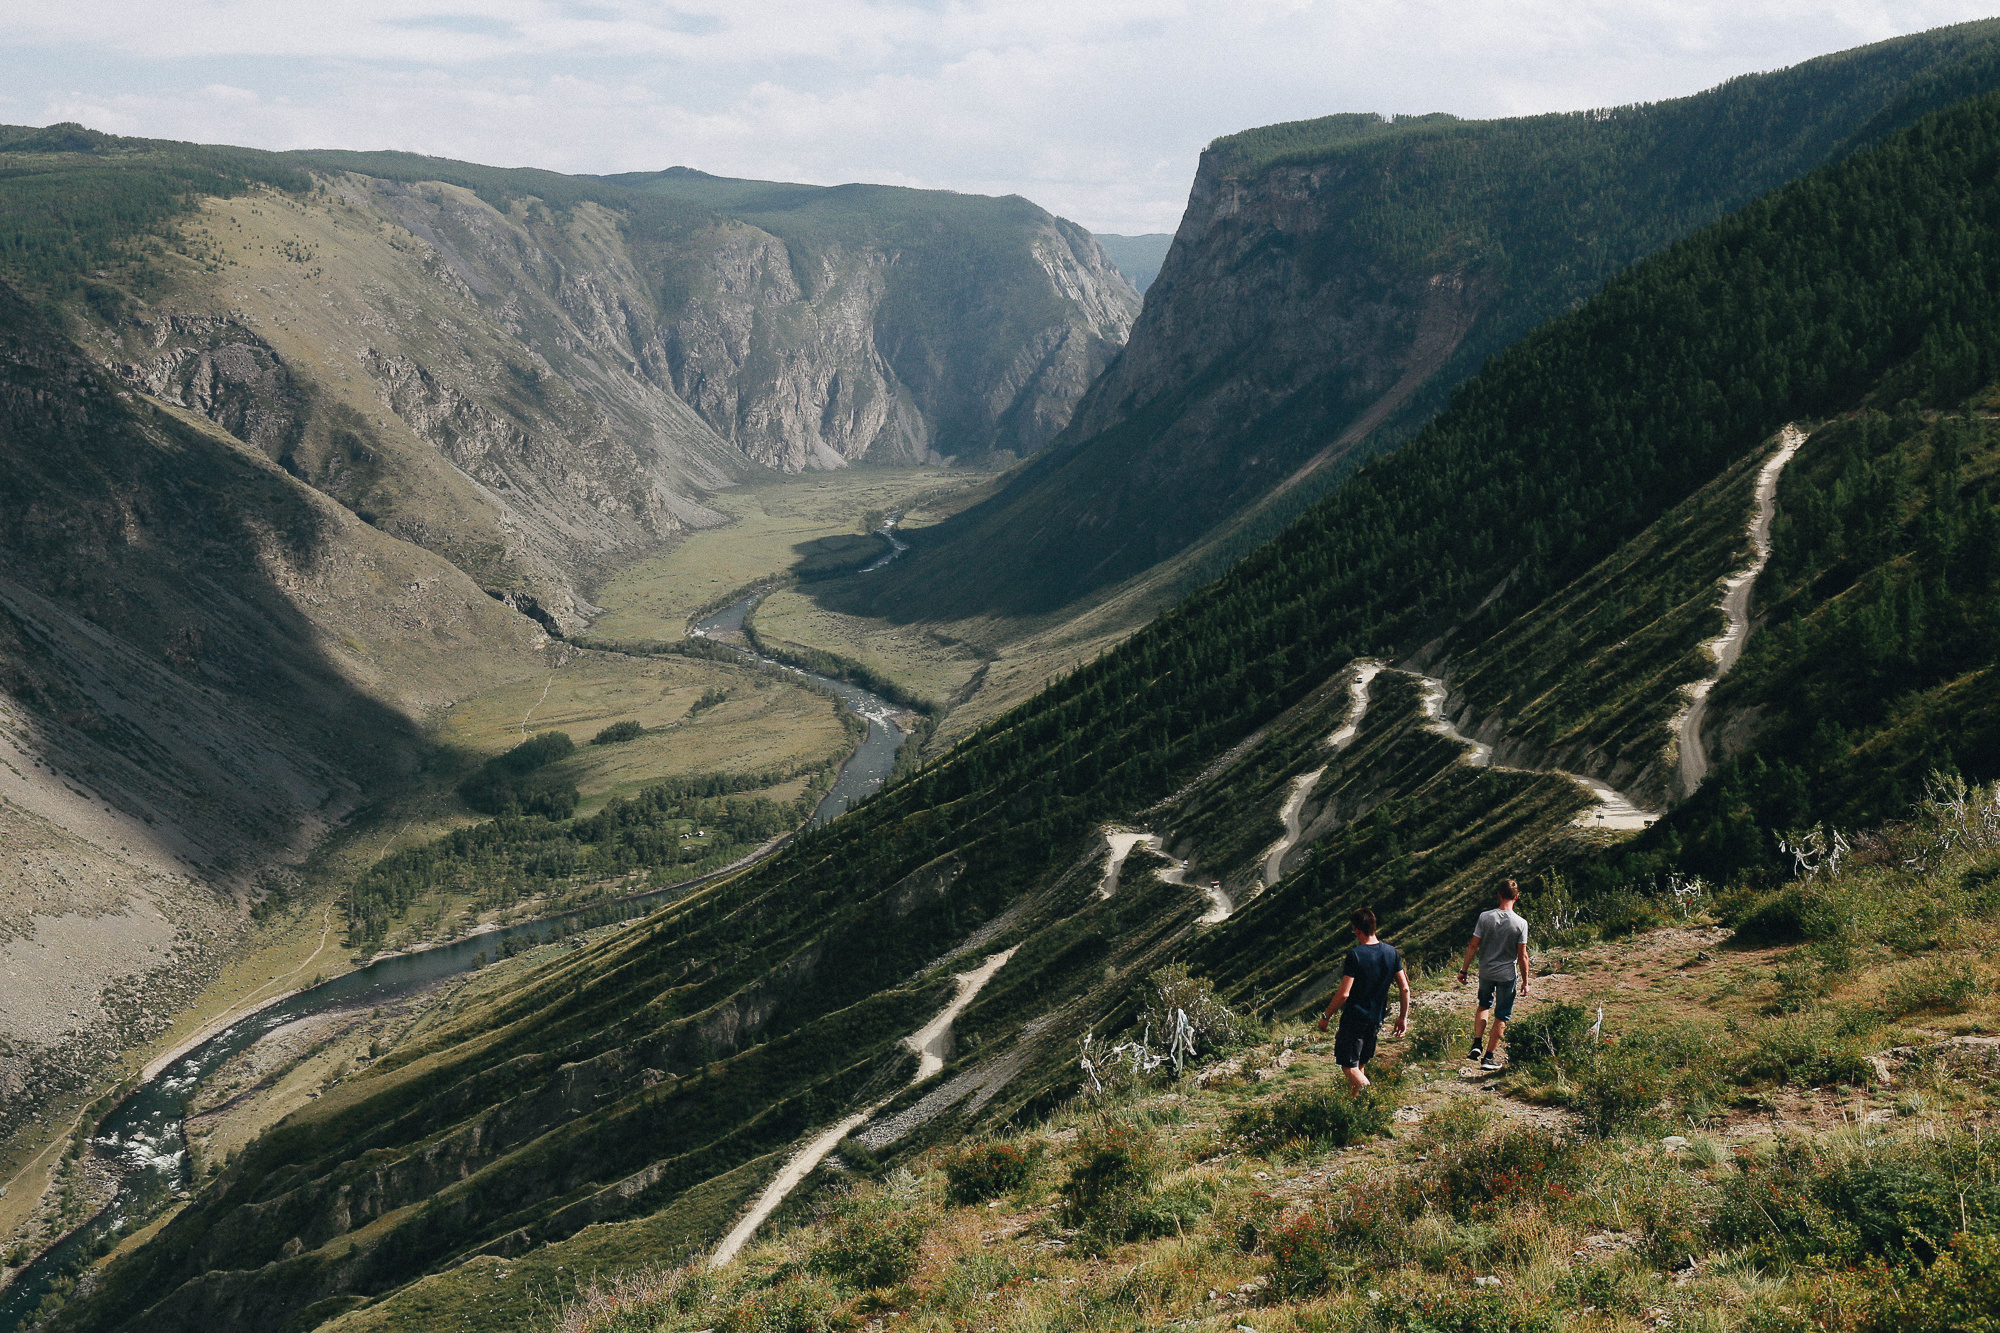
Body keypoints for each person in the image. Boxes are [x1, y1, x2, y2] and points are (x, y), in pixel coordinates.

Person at [1317, 907, 1411, 1093]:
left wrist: (1326, 1016)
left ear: (1357, 930)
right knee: (1360, 1065)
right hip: (1376, 1018)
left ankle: (1372, 1100)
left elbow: (1344, 993)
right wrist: (1403, 1017)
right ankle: (1358, 1110)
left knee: (1348, 1066)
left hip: (1354, 1019)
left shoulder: (1356, 955)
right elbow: (1405, 988)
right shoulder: (1392, 952)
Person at [1457, 878, 1530, 1071]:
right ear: (1517, 897)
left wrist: (1464, 970)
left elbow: (1473, 945)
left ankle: (1476, 1043)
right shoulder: (1521, 923)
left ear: (1498, 894)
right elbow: (1522, 956)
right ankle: (1488, 1057)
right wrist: (1525, 981)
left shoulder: (1485, 917)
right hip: (1507, 975)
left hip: (1486, 971)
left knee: (1484, 1004)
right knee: (1502, 1015)